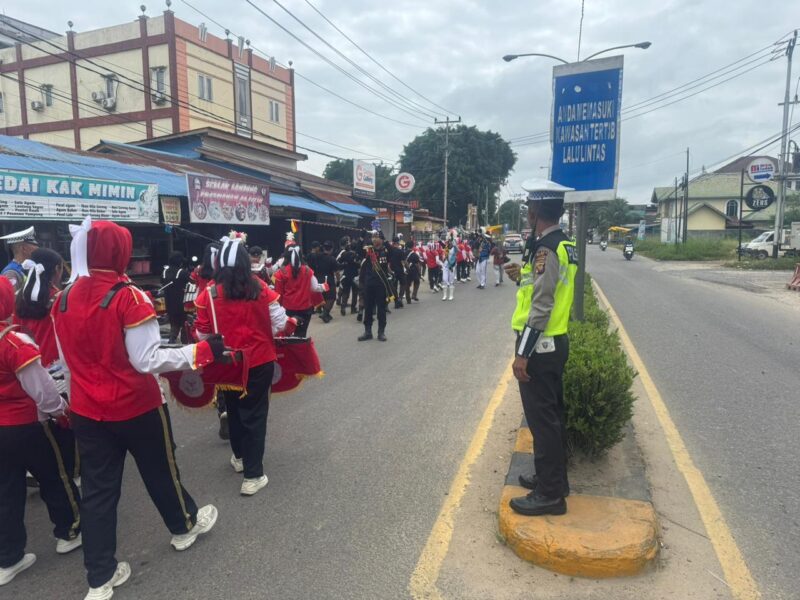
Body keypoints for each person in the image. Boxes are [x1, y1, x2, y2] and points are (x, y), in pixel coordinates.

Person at [51, 218, 223, 599]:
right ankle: (183, 528)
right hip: (135, 406)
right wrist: (201, 351)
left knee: (97, 492)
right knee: (160, 471)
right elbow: (146, 360)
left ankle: (99, 578)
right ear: (120, 252)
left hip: (87, 411)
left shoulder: (61, 299)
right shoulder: (129, 297)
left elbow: (65, 362)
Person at [194, 236, 295, 496]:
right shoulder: (260, 287)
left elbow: (203, 335)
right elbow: (279, 323)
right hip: (259, 361)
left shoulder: (209, 293)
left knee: (235, 410)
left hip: (227, 363)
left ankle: (239, 458)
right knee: (255, 414)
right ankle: (253, 474)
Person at [0, 276, 82, 588]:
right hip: (28, 424)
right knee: (55, 477)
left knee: (7, 491)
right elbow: (43, 391)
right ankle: (69, 531)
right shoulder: (14, 343)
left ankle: (8, 557)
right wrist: (62, 411)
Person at [504, 179, 577, 517]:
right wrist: (520, 276)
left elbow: (542, 306)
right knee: (552, 418)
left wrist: (523, 354)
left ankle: (550, 495)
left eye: (528, 212)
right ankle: (554, 481)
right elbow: (540, 289)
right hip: (555, 342)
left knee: (542, 421)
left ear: (534, 213)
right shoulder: (564, 245)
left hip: (540, 346)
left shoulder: (547, 250)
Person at [15, 249, 80, 484]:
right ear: (56, 270)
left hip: (31, 368)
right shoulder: (59, 298)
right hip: (60, 369)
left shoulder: (20, 299)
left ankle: (44, 469)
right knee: (67, 423)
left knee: (44, 422)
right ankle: (71, 472)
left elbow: (23, 335)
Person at [190, 242, 229, 441]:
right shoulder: (223, 274)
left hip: (202, 309)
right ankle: (227, 406)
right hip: (219, 310)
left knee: (212, 360)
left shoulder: (198, 271)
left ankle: (220, 403)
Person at [272, 246, 328, 337]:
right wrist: (324, 286)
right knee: (301, 334)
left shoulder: (280, 273)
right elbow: (314, 288)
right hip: (305, 308)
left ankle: (290, 351)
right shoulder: (307, 270)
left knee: (287, 335)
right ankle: (301, 349)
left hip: (288, 309)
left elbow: (278, 294)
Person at [357, 230, 391, 342]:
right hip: (369, 284)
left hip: (381, 285)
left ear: (382, 239)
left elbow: (394, 252)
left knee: (381, 309)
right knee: (368, 308)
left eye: (377, 237)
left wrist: (385, 242)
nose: (375, 239)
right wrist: (362, 237)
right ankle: (368, 331)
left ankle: (381, 332)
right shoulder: (368, 251)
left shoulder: (386, 250)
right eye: (373, 237)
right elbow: (358, 250)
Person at [161, 252, 191, 344]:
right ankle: (185, 342)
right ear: (180, 262)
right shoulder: (182, 272)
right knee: (184, 323)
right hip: (181, 302)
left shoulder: (164, 272)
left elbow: (162, 282)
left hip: (169, 302)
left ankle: (172, 339)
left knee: (174, 322)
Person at [1, 227, 40, 292]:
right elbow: (12, 300)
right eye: (34, 245)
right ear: (24, 248)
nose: (37, 248)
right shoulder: (11, 273)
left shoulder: (25, 268)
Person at [314, 240, 339, 323]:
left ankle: (326, 314)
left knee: (324, 297)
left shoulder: (317, 257)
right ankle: (325, 313)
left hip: (318, 279)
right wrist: (338, 280)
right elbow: (337, 272)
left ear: (323, 248)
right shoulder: (332, 259)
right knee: (331, 297)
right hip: (328, 280)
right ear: (331, 249)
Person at [336, 237, 360, 316]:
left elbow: (339, 262)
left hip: (346, 275)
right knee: (355, 292)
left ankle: (343, 306)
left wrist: (345, 265)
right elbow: (359, 265)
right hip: (355, 276)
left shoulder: (344, 254)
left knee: (345, 292)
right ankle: (353, 308)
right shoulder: (357, 255)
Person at [388, 238, 407, 309]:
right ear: (398, 243)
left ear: (393, 243)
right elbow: (404, 262)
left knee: (394, 286)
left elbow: (388, 262)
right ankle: (400, 298)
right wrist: (407, 268)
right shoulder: (400, 251)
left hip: (392, 271)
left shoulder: (390, 251)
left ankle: (396, 301)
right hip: (400, 271)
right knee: (403, 283)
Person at [439, 236, 457, 301]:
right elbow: (442, 244)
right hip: (445, 265)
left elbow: (457, 250)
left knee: (451, 281)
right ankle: (444, 295)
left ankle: (451, 295)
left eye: (450, 241)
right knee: (444, 279)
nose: (449, 242)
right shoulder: (446, 247)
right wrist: (439, 240)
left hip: (452, 266)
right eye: (448, 241)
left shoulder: (455, 248)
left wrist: (454, 241)